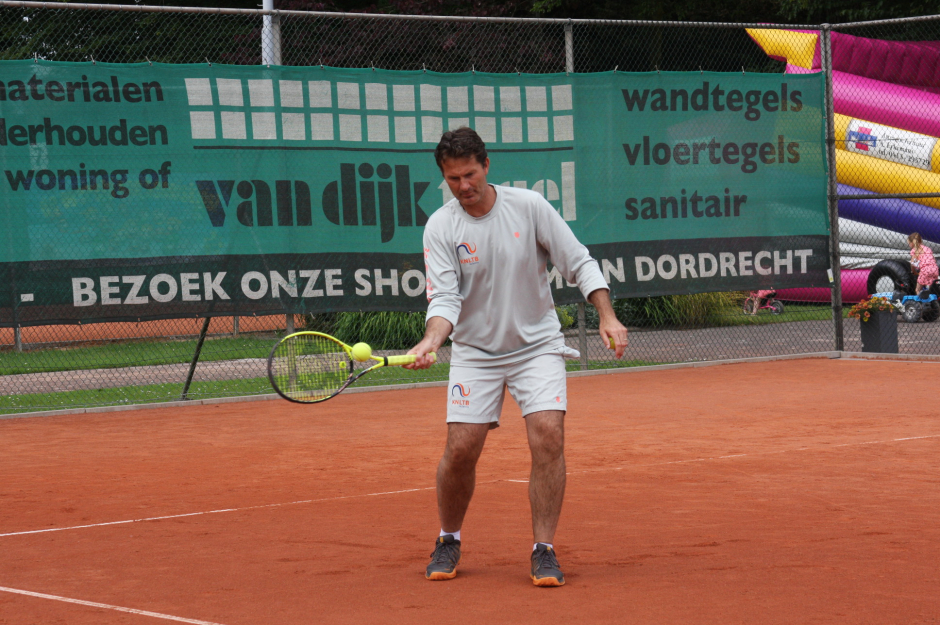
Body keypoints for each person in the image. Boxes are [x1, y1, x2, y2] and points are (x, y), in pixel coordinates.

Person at [406, 127, 629, 587]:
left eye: (470, 174)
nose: (463, 186)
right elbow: (444, 298)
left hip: (537, 348)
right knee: (460, 449)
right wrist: (431, 341)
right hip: (475, 352)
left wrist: (607, 315)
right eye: (452, 179)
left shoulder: (529, 207)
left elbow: (579, 262)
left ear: (486, 165)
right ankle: (449, 538)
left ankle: (543, 549)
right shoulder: (441, 226)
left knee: (548, 435)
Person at [908, 232, 938, 296]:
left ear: (912, 243)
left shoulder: (914, 250)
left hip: (925, 270)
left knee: (918, 290)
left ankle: (921, 301)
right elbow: (934, 260)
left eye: (909, 243)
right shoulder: (927, 248)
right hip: (934, 269)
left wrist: (914, 271)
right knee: (931, 290)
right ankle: (933, 300)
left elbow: (912, 263)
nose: (909, 245)